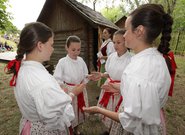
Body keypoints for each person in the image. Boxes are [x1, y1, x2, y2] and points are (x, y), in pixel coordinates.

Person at [83, 4, 174, 135]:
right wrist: (120, 86)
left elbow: (130, 120)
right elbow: (145, 95)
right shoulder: (156, 58)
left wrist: (98, 109)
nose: (124, 35)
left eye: (126, 30)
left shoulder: (137, 69)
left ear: (139, 31)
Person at [5, 22, 86, 135]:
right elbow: (56, 117)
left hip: (29, 124)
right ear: (40, 46)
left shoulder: (23, 68)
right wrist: (73, 94)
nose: (52, 49)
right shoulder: (41, 80)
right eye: (51, 44)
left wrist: (55, 93)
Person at [92, 29, 131, 130]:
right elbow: (109, 73)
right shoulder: (112, 57)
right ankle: (108, 129)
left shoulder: (131, 59)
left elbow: (130, 81)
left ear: (126, 42)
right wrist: (101, 74)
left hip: (120, 91)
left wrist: (120, 88)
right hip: (109, 86)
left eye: (118, 42)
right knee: (107, 111)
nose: (115, 45)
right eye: (114, 42)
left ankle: (113, 129)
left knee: (116, 114)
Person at [53, 35, 93, 135]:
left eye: (78, 50)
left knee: (78, 112)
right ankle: (69, 130)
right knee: (70, 112)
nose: (76, 52)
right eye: (73, 49)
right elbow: (57, 78)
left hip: (80, 89)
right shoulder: (62, 62)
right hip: (69, 92)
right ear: (67, 48)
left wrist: (88, 78)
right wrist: (63, 87)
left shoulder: (81, 61)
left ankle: (76, 129)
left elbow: (84, 74)